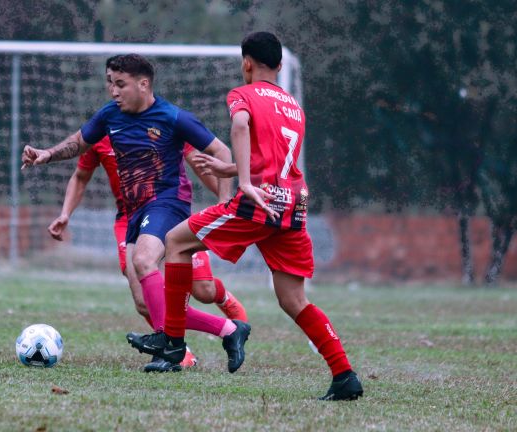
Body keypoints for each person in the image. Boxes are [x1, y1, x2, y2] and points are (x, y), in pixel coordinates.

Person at [126, 32, 364, 401]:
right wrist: (233, 170)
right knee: (293, 300)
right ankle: (345, 375)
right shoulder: (294, 106)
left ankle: (172, 342)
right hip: (292, 204)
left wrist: (246, 182)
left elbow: (240, 126)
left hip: (258, 202)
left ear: (247, 63)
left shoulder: (243, 94)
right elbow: (277, 159)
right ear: (281, 66)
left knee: (175, 242)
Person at [22, 54, 249, 372]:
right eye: (109, 84)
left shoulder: (172, 117)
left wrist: (223, 205)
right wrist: (46, 154)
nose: (113, 91)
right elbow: (78, 143)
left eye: (120, 84)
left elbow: (221, 151)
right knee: (147, 301)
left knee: (146, 263)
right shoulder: (109, 115)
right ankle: (227, 330)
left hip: (168, 202)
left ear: (143, 85)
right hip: (133, 211)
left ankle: (170, 345)